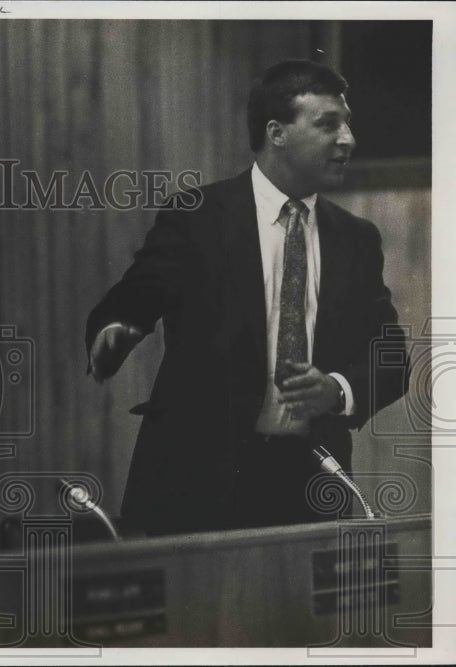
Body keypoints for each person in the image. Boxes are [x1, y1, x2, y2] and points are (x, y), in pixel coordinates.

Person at [85, 60, 409, 535]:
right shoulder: (198, 217)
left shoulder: (356, 238)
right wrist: (111, 334)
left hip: (310, 486)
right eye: (327, 124)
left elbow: (392, 358)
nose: (348, 140)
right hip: (196, 486)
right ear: (277, 132)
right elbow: (127, 305)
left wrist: (335, 390)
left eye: (348, 123)